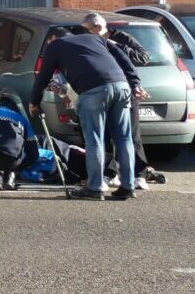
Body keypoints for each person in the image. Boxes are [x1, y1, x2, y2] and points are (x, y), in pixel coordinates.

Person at [30, 13, 149, 200]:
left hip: (93, 91)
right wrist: (135, 84)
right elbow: (123, 57)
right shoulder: (97, 39)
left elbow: (43, 76)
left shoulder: (55, 46)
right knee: (124, 138)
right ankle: (128, 186)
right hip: (121, 87)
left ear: (53, 38)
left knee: (95, 139)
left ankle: (95, 187)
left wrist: (34, 101)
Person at [84, 17, 165, 189]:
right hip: (103, 89)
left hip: (126, 90)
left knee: (131, 133)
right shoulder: (91, 42)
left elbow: (143, 57)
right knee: (105, 133)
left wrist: (118, 46)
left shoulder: (122, 38)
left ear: (98, 27)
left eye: (88, 29)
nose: (87, 33)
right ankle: (109, 173)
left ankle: (138, 174)